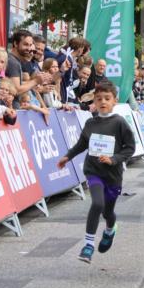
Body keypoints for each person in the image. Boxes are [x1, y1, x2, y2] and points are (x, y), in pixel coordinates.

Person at [58, 82, 136, 264]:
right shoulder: (90, 123)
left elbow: (130, 148)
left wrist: (114, 159)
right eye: (99, 99)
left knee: (108, 212)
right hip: (93, 171)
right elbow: (82, 144)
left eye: (107, 99)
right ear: (94, 100)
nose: (103, 102)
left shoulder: (119, 123)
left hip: (113, 175)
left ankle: (110, 229)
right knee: (97, 204)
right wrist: (67, 156)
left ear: (115, 101)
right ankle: (88, 245)